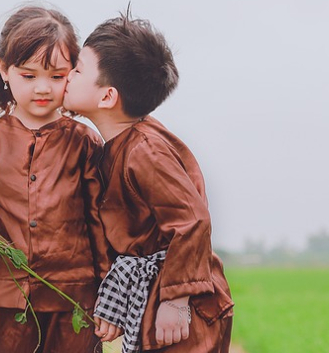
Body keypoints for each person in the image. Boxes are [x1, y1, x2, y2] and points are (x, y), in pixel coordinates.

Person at [63, 12, 235, 353]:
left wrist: (175, 300)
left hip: (187, 307)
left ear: (107, 97)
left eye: (78, 69)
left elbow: (191, 221)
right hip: (156, 294)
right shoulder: (122, 144)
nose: (67, 76)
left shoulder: (145, 150)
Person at [0, 5, 111, 353]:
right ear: (5, 70)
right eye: (29, 75)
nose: (43, 88)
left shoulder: (85, 141)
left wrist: (107, 296)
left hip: (74, 302)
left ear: (74, 73)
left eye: (56, 76)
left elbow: (100, 221)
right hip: (3, 300)